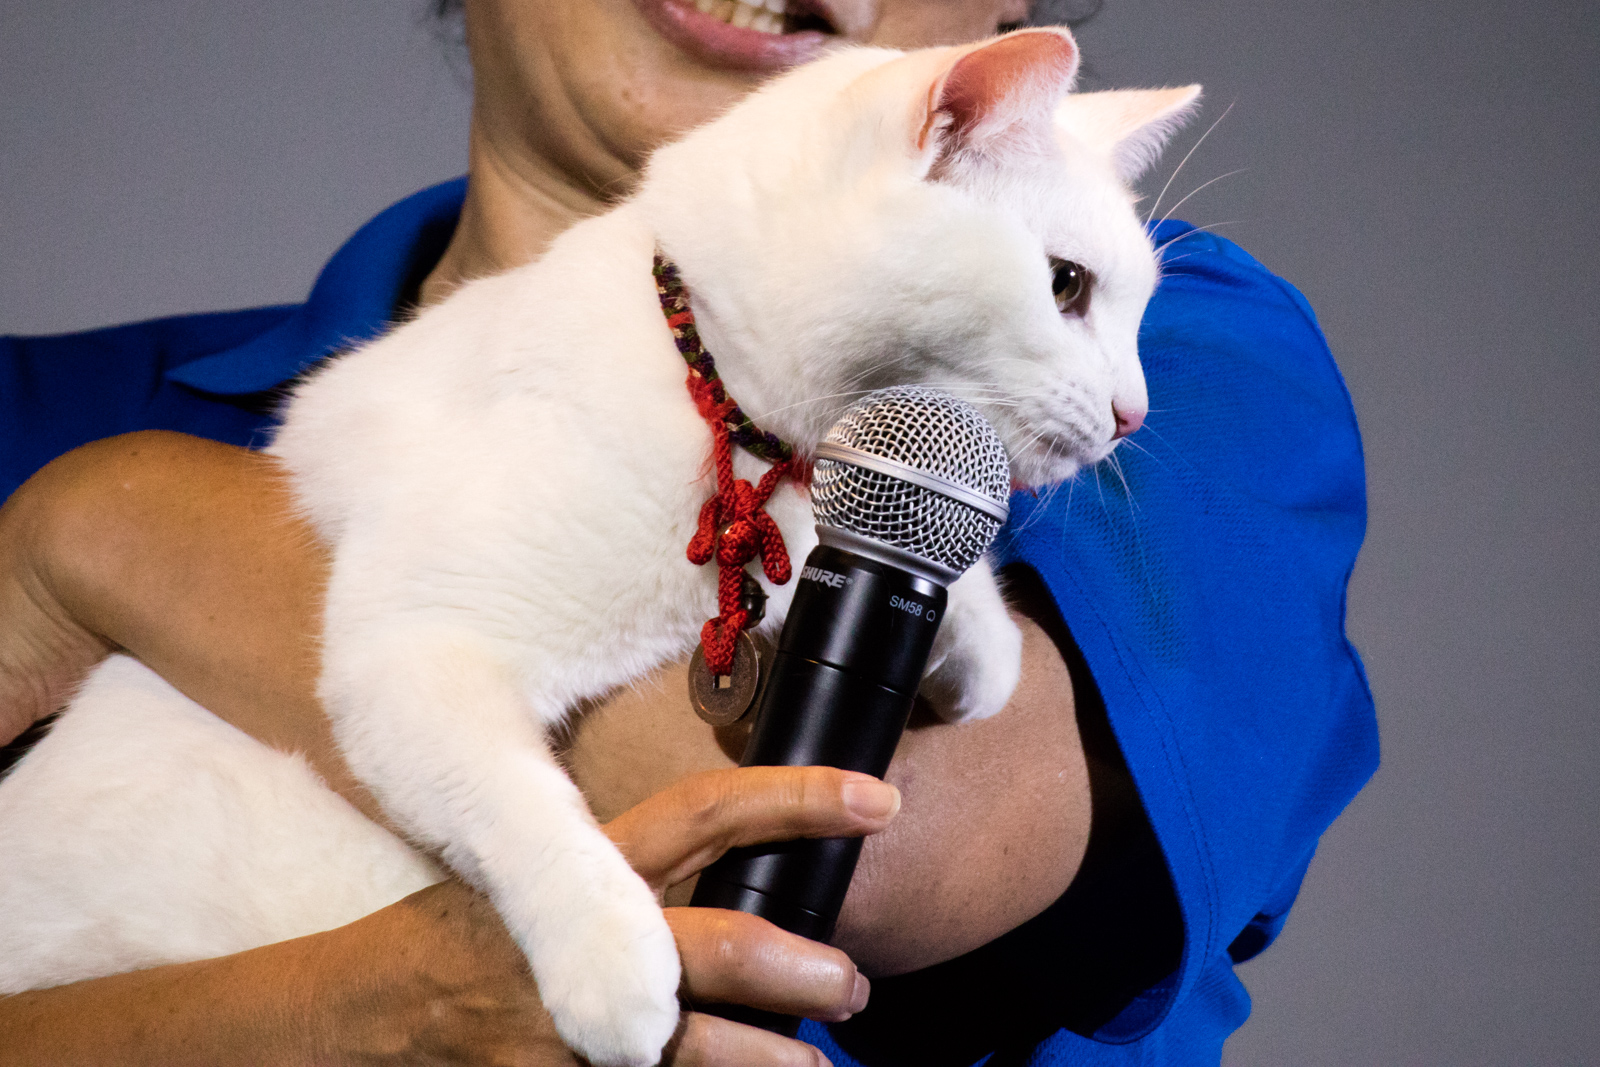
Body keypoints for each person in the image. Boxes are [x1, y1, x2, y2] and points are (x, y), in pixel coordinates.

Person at [0, 0, 1378, 1063]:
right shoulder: (33, 403)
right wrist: (325, 1013)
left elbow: (862, 843)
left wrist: (99, 536)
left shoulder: (1179, 367)